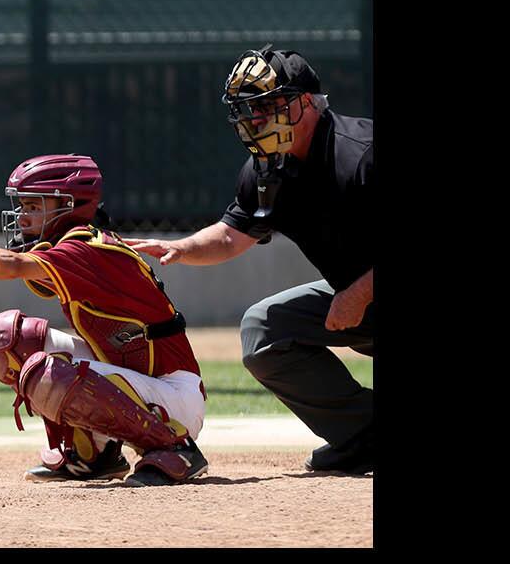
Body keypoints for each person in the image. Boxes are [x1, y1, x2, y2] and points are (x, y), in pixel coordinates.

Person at [0, 154, 209, 487]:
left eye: (35, 207)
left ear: (70, 205)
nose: (22, 217)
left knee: (47, 372)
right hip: (140, 380)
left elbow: (14, 265)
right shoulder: (72, 244)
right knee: (11, 338)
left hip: (175, 397)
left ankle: (178, 449)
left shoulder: (87, 249)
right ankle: (94, 456)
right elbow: (20, 266)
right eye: (22, 206)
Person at [124, 45, 373, 475]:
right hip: (357, 300)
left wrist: (358, 293)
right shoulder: (267, 172)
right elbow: (230, 236)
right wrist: (181, 248)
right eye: (249, 110)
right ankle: (366, 434)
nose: (256, 120)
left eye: (269, 106)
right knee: (264, 331)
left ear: (308, 102)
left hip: (363, 293)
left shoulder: (361, 154)